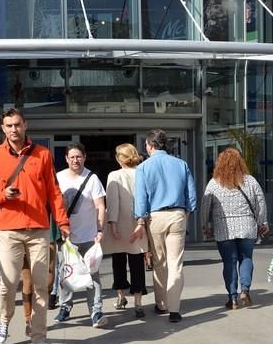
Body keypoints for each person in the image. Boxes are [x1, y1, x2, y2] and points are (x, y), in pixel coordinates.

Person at [0, 108, 69, 344]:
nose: (13, 129)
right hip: (8, 229)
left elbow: (54, 191)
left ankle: (39, 339)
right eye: (8, 126)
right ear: (3, 128)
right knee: (8, 284)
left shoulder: (42, 154)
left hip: (39, 229)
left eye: (17, 124)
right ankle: (5, 319)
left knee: (41, 286)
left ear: (25, 125)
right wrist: (2, 195)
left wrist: (62, 221)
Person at [133, 129, 196, 323]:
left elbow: (141, 200)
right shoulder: (181, 164)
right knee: (176, 263)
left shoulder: (143, 168)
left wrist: (140, 220)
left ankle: (162, 304)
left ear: (150, 145)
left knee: (160, 263)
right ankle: (175, 309)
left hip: (156, 217)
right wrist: (185, 214)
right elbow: (191, 196)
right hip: (177, 214)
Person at [200, 148, 269, 309]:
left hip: (224, 229)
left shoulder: (214, 183)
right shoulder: (250, 181)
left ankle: (232, 298)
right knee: (246, 258)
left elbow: (205, 206)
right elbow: (261, 202)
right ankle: (245, 290)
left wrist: (205, 225)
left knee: (229, 262)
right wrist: (262, 221)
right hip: (247, 227)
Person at [54, 142, 108, 328]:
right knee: (66, 272)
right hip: (66, 236)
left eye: (79, 157)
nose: (75, 160)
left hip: (89, 235)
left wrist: (100, 230)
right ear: (66, 159)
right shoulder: (58, 177)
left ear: (84, 157)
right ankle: (65, 307)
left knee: (93, 275)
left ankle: (96, 311)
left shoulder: (92, 179)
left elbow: (100, 206)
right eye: (72, 157)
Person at [102, 143, 148, 318]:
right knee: (137, 262)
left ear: (119, 158)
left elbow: (112, 202)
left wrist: (112, 223)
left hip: (120, 223)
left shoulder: (114, 175)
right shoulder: (142, 173)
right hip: (139, 222)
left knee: (118, 261)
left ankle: (121, 297)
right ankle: (138, 302)